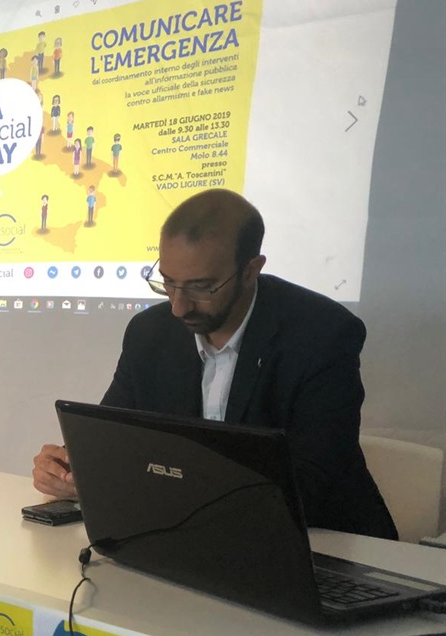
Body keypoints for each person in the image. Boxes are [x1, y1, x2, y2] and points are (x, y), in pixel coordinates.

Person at [32, 189, 396, 539]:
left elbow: (312, 484)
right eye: (168, 283)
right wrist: (73, 470)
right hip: (191, 536)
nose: (178, 307)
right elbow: (114, 441)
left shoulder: (322, 335)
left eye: (201, 288)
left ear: (251, 270)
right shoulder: (150, 333)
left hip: (320, 541)